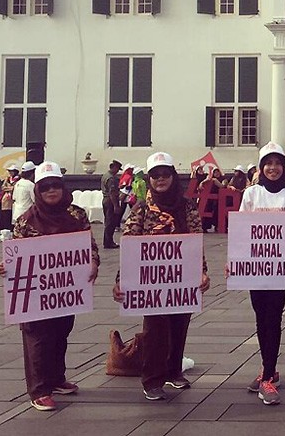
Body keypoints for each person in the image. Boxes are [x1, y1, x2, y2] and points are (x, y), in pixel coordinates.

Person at [0, 161, 100, 411]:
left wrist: (93, 262)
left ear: (63, 188)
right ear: (37, 191)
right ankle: (39, 389)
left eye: (55, 185)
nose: (51, 191)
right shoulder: (25, 220)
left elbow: (89, 244)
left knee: (61, 332)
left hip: (64, 289)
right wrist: (5, 265)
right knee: (36, 337)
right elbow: (17, 253)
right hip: (35, 291)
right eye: (44, 187)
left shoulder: (76, 214)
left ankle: (56, 378)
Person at [112, 152, 210, 401]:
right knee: (155, 329)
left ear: (173, 177)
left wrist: (202, 271)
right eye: (155, 175)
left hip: (181, 275)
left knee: (180, 324)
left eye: (165, 174)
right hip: (151, 279)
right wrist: (121, 279)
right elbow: (130, 242)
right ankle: (152, 379)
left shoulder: (186, 205)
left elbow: (196, 237)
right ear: (149, 179)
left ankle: (173, 371)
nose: (160, 179)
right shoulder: (142, 208)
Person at [239, 142, 285, 406]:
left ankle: (267, 375)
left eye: (278, 163)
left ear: (284, 167)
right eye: (268, 163)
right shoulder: (251, 194)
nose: (273, 168)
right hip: (256, 266)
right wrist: (235, 261)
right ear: (261, 167)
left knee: (274, 317)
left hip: (281, 268)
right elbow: (243, 229)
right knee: (260, 317)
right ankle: (269, 368)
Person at [101, 160, 122, 248]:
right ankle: (108, 242)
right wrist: (116, 206)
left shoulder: (105, 175)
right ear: (114, 167)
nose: (118, 171)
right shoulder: (111, 178)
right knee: (111, 222)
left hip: (105, 199)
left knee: (108, 221)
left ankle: (108, 241)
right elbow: (112, 193)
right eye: (117, 169)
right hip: (110, 201)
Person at [0, 164, 20, 231]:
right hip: (6, 198)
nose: (10, 172)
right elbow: (3, 187)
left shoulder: (18, 179)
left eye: (11, 171)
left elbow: (15, 188)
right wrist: (10, 188)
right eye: (9, 171)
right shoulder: (7, 179)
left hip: (13, 198)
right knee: (4, 213)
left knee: (11, 214)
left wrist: (9, 188)